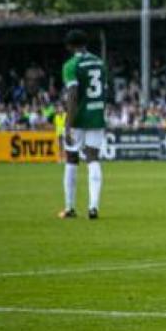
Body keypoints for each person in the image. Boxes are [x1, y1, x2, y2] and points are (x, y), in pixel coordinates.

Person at [58, 30, 108, 220]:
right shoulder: (99, 63)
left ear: (70, 46)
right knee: (93, 158)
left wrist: (68, 124)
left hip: (78, 117)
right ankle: (93, 206)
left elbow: (73, 95)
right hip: (96, 114)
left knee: (71, 158)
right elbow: (105, 91)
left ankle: (70, 208)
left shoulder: (71, 65)